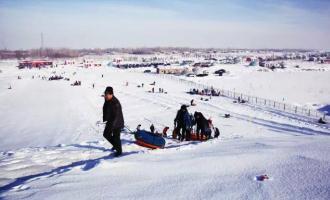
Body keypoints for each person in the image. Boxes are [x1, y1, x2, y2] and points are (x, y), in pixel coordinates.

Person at [103, 86, 124, 157]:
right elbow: (106, 109)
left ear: (111, 94)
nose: (105, 95)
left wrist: (112, 126)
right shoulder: (108, 100)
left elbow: (117, 115)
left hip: (116, 122)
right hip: (111, 121)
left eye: (107, 94)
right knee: (107, 135)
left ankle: (119, 151)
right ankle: (116, 145)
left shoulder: (115, 103)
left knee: (115, 137)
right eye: (105, 94)